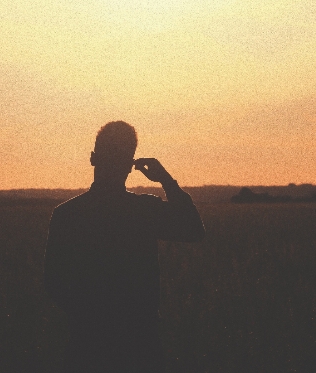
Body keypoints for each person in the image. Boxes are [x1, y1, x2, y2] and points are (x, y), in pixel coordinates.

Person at [44, 121, 204, 372]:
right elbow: (193, 230)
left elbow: (54, 282)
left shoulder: (67, 214)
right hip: (141, 344)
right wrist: (165, 179)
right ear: (131, 166)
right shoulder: (143, 210)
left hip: (87, 345)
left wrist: (89, 319)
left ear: (93, 158)